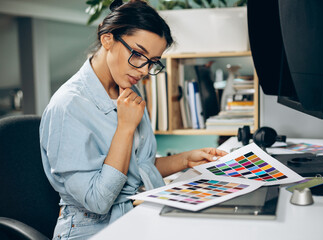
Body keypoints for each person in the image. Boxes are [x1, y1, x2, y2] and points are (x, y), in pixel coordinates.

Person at [40, 0, 227, 239]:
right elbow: (97, 201)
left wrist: (186, 159)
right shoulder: (67, 106)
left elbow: (138, 168)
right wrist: (125, 129)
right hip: (94, 230)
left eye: (152, 62)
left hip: (140, 215)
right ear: (107, 39)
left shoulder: (128, 88)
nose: (142, 70)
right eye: (138, 54)